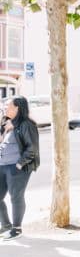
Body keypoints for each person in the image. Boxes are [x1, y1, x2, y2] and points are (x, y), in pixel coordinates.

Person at [0, 96, 40, 241]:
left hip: (17, 167)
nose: (6, 109)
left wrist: (19, 164)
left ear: (17, 108)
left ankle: (16, 229)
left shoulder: (26, 124)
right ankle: (5, 225)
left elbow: (32, 149)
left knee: (16, 197)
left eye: (9, 106)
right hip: (2, 165)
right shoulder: (8, 123)